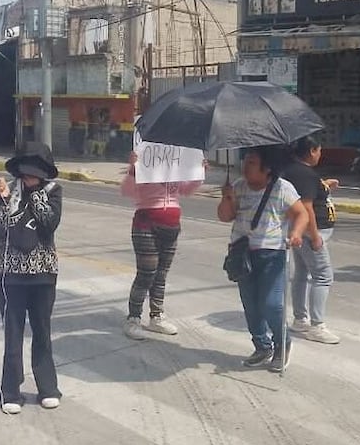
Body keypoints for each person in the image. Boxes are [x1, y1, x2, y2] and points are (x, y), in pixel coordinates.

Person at [217, 147, 309, 373]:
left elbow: (302, 213)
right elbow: (224, 216)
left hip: (272, 254)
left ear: (266, 168)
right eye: (245, 162)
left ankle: (282, 343)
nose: (245, 167)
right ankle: (262, 346)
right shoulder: (238, 186)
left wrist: (296, 233)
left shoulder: (282, 188)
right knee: (251, 304)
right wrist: (227, 197)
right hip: (242, 254)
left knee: (271, 304)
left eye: (251, 163)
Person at [0, 142, 63, 414]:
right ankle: (10, 392)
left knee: (42, 331)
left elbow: (48, 223)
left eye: (34, 173)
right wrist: (3, 199)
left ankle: (48, 388)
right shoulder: (4, 191)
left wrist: (35, 194)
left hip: (43, 274)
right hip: (10, 276)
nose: (28, 177)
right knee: (13, 334)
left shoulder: (53, 192)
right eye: (25, 172)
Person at [120, 150, 204, 340]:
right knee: (146, 274)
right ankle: (133, 318)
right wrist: (133, 170)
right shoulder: (144, 162)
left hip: (172, 227)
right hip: (146, 224)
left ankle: (156, 316)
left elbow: (186, 190)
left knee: (161, 274)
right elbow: (126, 191)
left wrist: (199, 174)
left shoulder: (174, 166)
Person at [282, 136, 340, 345]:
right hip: (309, 232)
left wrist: (323, 186)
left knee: (302, 274)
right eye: (319, 150)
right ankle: (317, 325)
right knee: (323, 276)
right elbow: (306, 207)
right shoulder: (304, 174)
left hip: (300, 231)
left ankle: (300, 318)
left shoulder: (295, 170)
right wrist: (314, 236)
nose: (320, 154)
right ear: (312, 151)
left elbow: (307, 193)